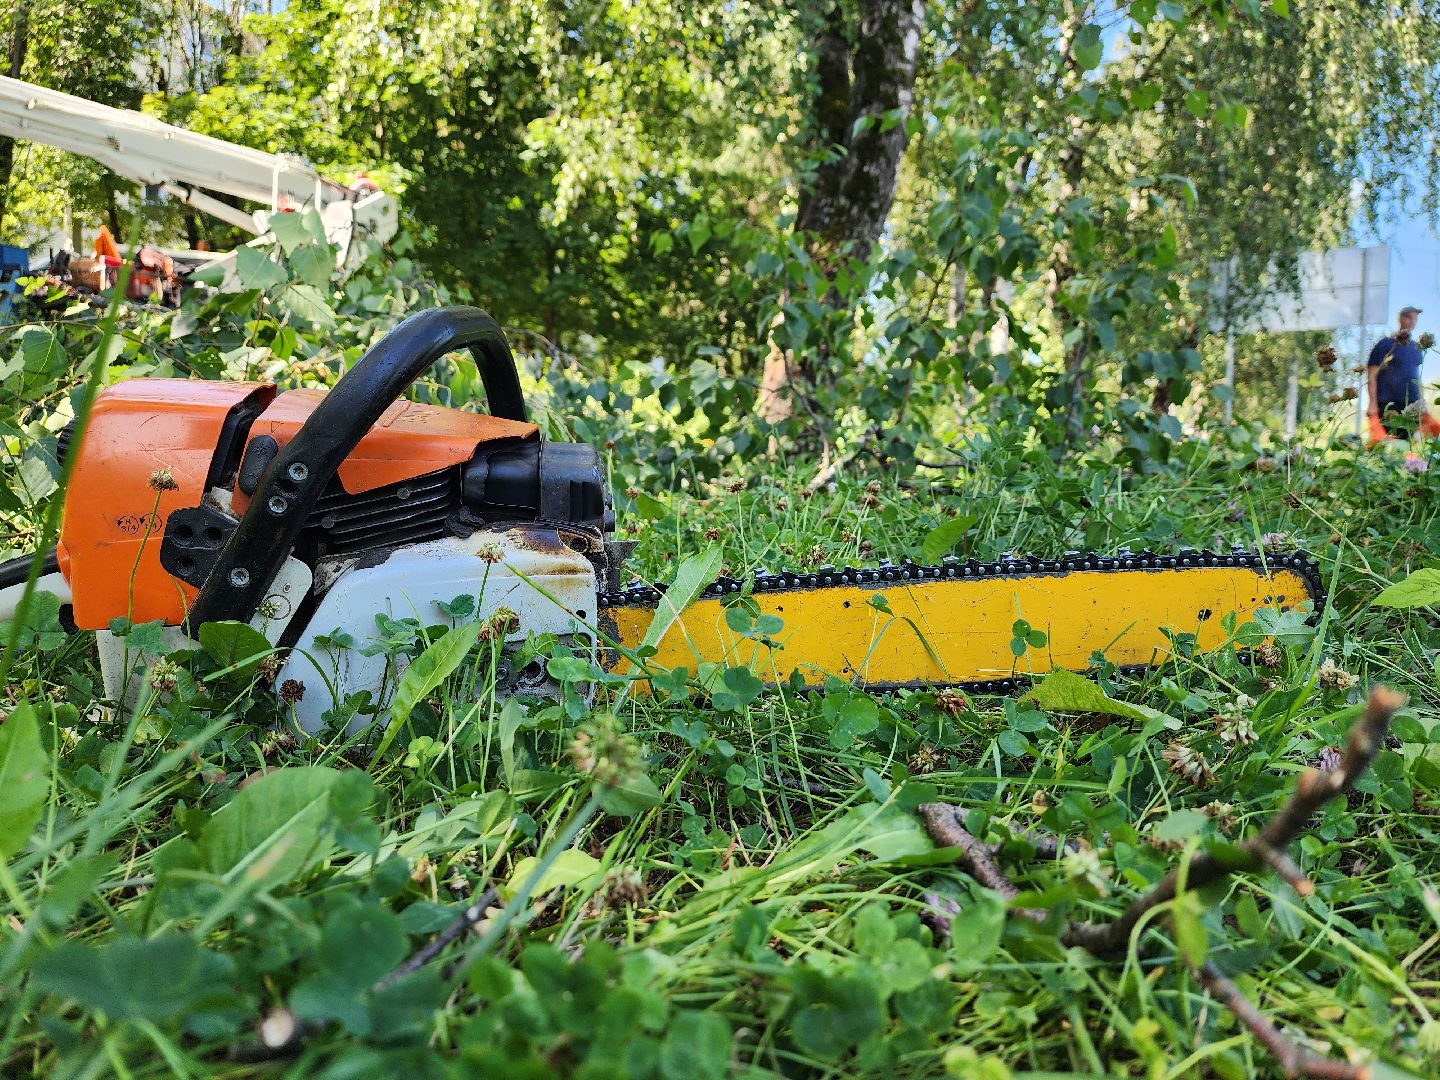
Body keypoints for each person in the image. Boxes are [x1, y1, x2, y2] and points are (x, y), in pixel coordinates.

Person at [1366, 305, 1440, 443]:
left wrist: (1422, 404)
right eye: (1409, 317)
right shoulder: (1384, 345)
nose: (1412, 322)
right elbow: (1372, 374)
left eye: (1415, 319)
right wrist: (1372, 403)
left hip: (1412, 405)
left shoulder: (1417, 348)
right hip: (1388, 405)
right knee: (1386, 444)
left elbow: (1417, 377)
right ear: (1400, 318)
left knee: (1409, 445)